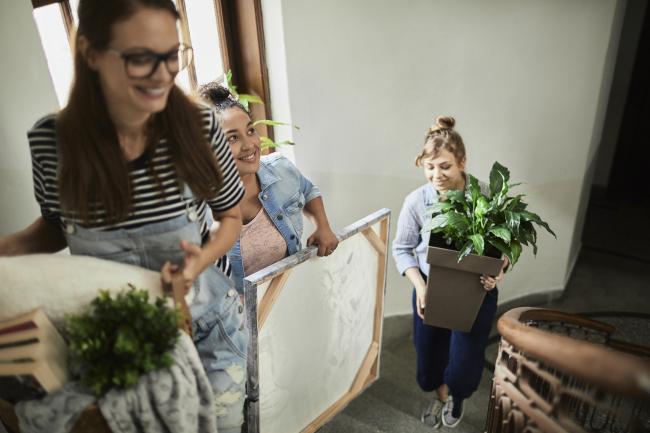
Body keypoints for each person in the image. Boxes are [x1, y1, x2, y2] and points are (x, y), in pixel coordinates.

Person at [0, 1, 247, 431]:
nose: (162, 74)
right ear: (91, 53)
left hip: (206, 323)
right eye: (140, 58)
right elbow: (55, 229)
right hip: (119, 337)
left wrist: (201, 261)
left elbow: (231, 217)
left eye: (172, 55)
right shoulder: (52, 142)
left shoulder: (200, 127)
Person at [392, 116, 509, 429]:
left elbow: (504, 247)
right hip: (429, 289)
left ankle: (457, 396)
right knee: (430, 355)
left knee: (465, 358)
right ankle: (441, 395)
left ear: (462, 162)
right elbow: (401, 250)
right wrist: (420, 286)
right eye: (430, 167)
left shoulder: (486, 196)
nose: (436, 175)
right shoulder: (416, 202)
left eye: (444, 166)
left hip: (475, 291)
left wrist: (497, 271)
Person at [198, 83, 339, 293]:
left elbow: (308, 189)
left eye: (250, 130)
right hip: (237, 319)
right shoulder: (196, 210)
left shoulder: (280, 168)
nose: (249, 145)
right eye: (233, 138)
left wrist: (322, 226)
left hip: (287, 299)